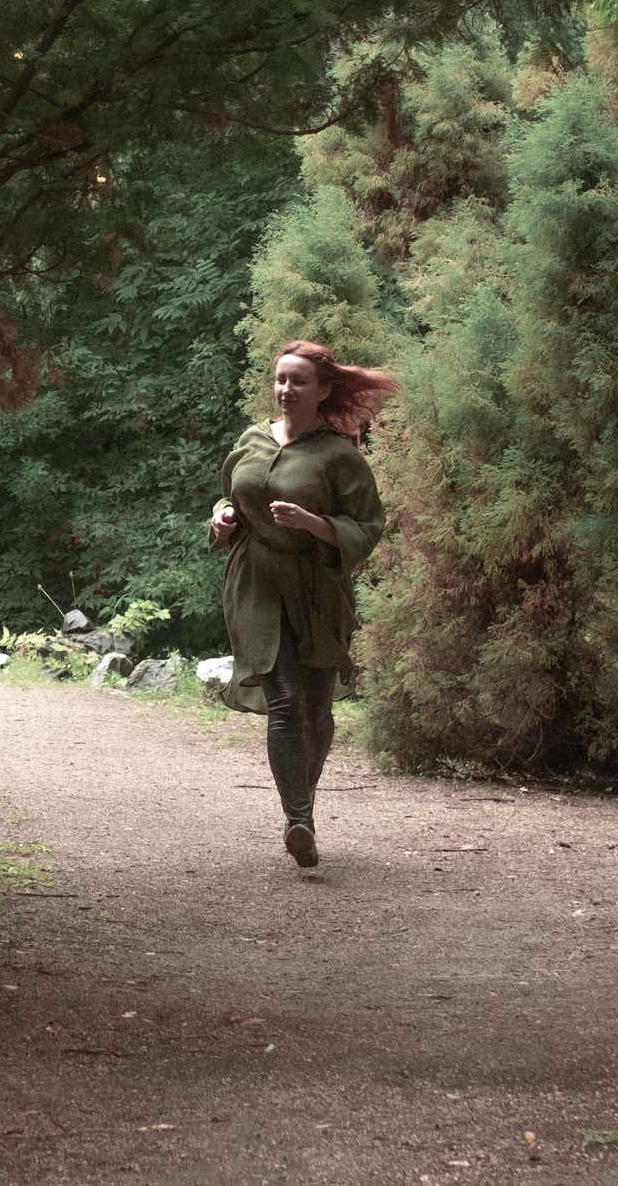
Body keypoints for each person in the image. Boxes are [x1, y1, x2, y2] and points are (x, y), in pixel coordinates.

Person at [208, 339, 392, 869]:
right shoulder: (251, 439)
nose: (286, 389)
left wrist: (314, 524)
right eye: (281, 379)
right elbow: (229, 496)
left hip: (317, 589)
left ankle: (301, 800)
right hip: (255, 582)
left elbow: (368, 526)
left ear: (324, 390)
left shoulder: (339, 455)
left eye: (299, 381)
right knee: (285, 701)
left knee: (315, 711)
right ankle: (299, 821)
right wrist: (221, 517)